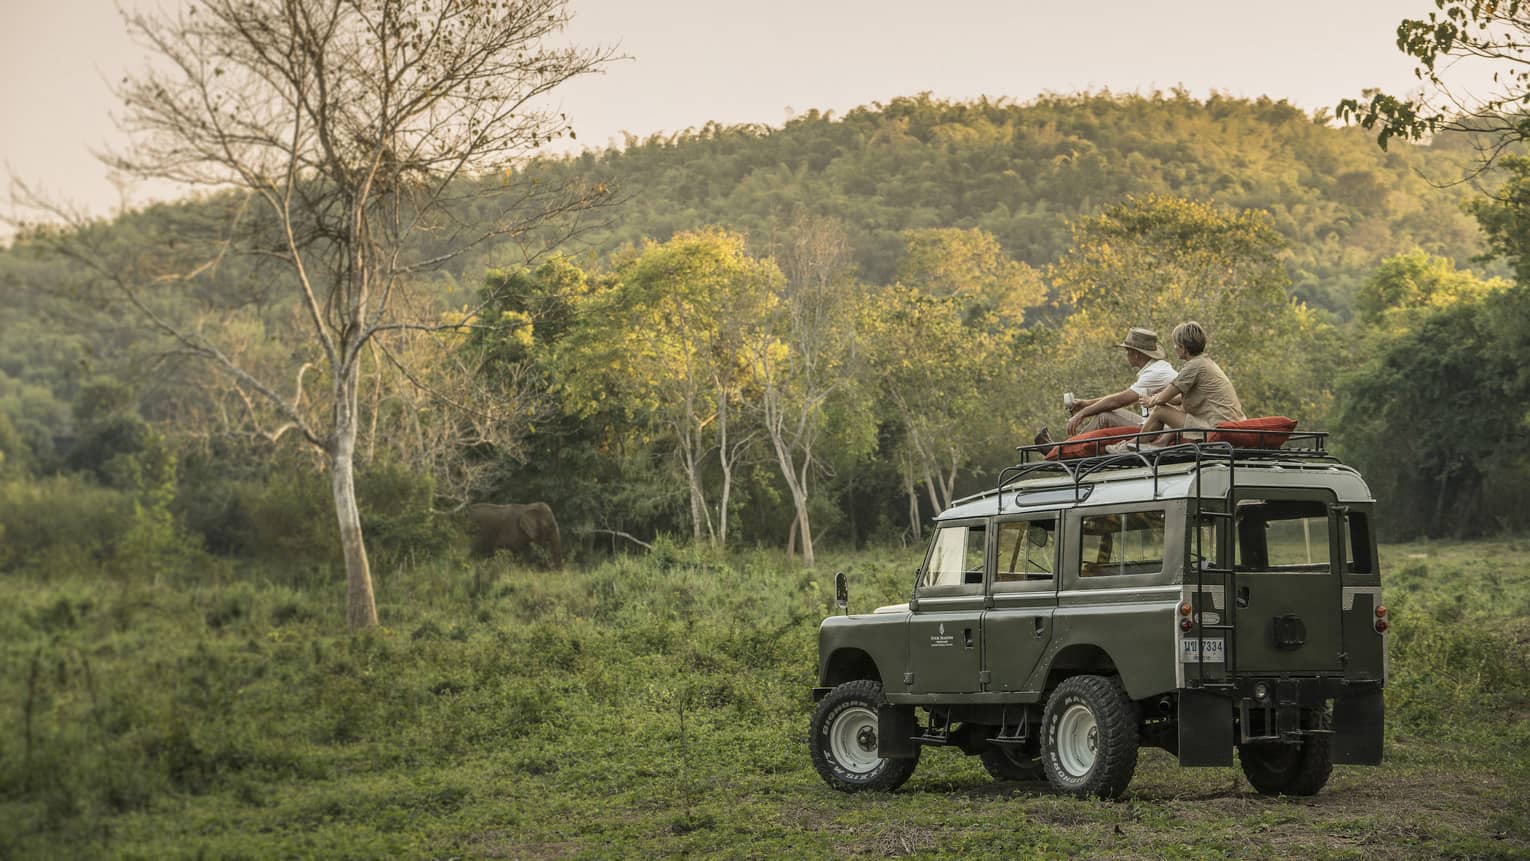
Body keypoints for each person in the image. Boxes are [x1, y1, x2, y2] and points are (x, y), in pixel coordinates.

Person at [1116, 320, 1245, 451]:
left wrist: (1150, 400)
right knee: (1179, 408)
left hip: (1215, 427)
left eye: (1175, 345)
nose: (1174, 348)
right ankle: (1160, 443)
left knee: (1160, 410)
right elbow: (1178, 398)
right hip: (1225, 423)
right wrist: (1158, 398)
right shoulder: (1205, 362)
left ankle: (1129, 446)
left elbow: (1162, 399)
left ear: (1183, 348)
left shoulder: (1194, 366)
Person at [1034, 327, 1177, 445]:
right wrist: (1087, 403)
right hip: (1153, 423)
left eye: (1128, 351)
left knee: (1104, 417)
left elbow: (1118, 401)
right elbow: (1121, 396)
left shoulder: (1154, 373)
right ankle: (1063, 447)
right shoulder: (1157, 368)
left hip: (1156, 427)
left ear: (1136, 354)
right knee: (1105, 415)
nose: (1126, 355)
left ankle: (1061, 449)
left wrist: (1082, 413)